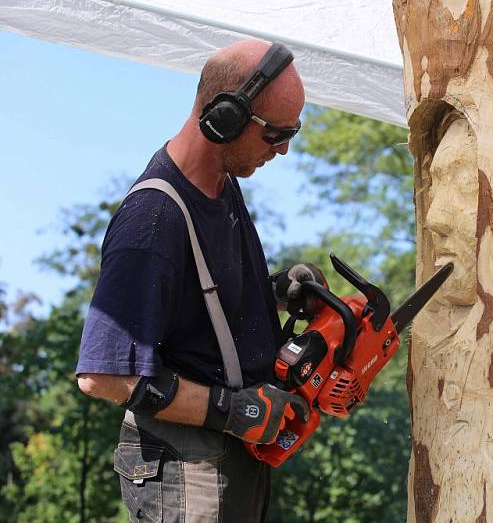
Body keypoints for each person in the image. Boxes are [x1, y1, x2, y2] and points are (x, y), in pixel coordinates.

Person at [75, 39, 325, 522]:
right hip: (185, 467)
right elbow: (104, 375)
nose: (283, 149)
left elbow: (200, 321)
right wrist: (237, 410)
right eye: (274, 134)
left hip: (226, 460)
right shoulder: (153, 218)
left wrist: (277, 293)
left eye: (292, 132)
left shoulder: (221, 188)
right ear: (224, 117)